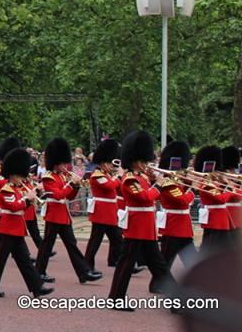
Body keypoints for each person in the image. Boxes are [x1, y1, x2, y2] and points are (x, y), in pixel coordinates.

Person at [108, 130, 174, 308]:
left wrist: (157, 183)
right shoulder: (129, 180)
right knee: (128, 264)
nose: (146, 164)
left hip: (146, 228)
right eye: (144, 161)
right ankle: (116, 299)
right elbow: (145, 198)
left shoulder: (141, 178)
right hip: (137, 227)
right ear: (135, 161)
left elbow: (153, 196)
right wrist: (158, 185)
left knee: (157, 266)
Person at [0, 147, 52, 299]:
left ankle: (37, 287)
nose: (21, 179)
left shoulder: (18, 187)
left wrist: (36, 193)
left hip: (16, 229)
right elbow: (14, 207)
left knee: (25, 261)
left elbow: (23, 204)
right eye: (19, 176)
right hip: (7, 229)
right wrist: (27, 198)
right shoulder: (6, 190)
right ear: (13, 175)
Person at [34, 137, 101, 284]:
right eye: (62, 163)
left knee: (71, 244)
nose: (65, 166)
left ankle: (83, 272)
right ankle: (39, 272)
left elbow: (69, 196)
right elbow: (58, 195)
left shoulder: (63, 176)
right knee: (47, 245)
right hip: (53, 215)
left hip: (63, 215)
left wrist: (76, 186)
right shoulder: (48, 178)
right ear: (55, 163)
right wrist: (71, 184)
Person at [83, 139, 123, 272]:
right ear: (103, 163)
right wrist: (118, 177)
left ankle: (115, 260)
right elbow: (109, 186)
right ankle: (87, 266)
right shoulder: (97, 175)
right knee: (95, 241)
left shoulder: (106, 174)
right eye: (109, 163)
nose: (111, 166)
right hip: (101, 213)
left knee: (117, 238)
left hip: (110, 213)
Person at [156, 140, 196, 270]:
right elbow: (183, 200)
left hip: (183, 226)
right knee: (166, 261)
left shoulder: (177, 182)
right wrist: (193, 189)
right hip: (173, 226)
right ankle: (157, 283)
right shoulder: (168, 184)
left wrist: (189, 180)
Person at [194, 145, 234, 253]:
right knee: (210, 250)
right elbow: (221, 199)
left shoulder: (214, 182)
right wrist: (229, 188)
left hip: (221, 220)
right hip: (215, 220)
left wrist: (224, 183)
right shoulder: (206, 183)